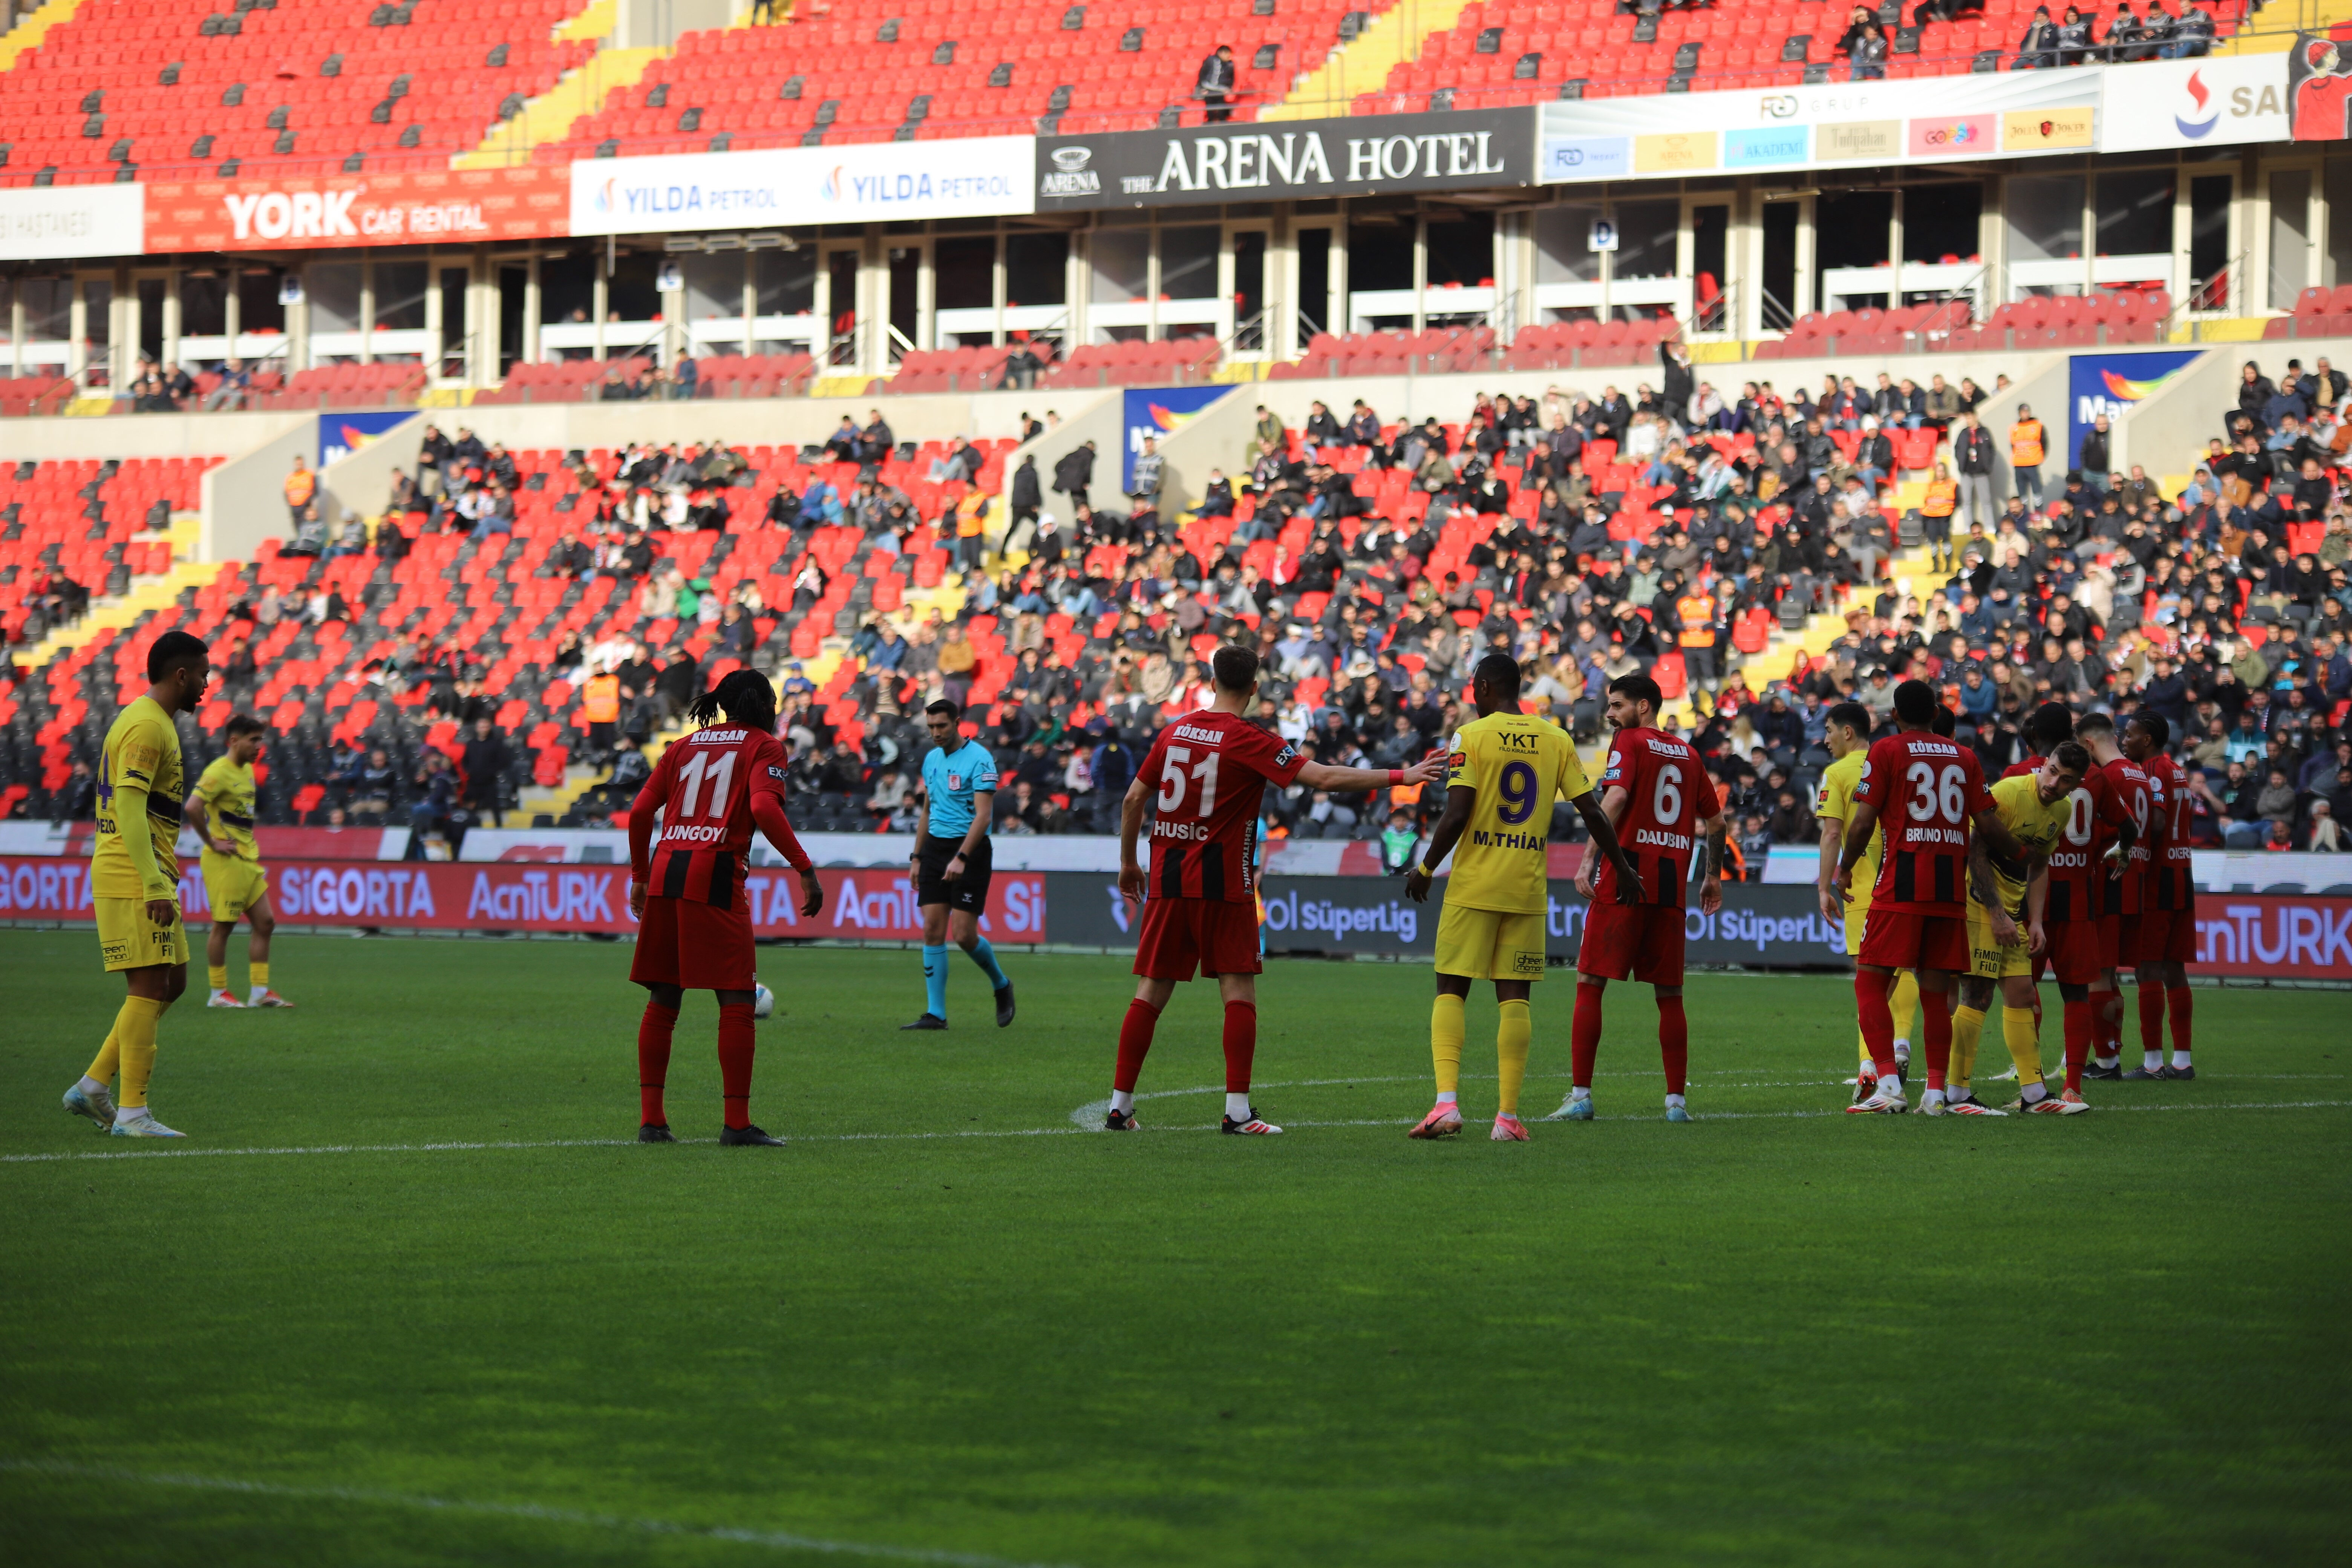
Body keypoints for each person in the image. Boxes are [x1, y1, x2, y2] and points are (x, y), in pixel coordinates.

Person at [1109, 644, 1443, 1134]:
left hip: (1168, 878)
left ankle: (1119, 1107)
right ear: (1255, 687)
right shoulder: (1250, 738)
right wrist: (1402, 775)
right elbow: (1324, 777)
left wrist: (1127, 864)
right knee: (1238, 988)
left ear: (1211, 677)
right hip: (1223, 883)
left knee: (1151, 991)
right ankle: (1239, 1112)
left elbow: (1134, 798)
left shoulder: (1174, 730)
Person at [1400, 653, 1643, 1140]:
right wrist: (1621, 867)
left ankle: (1446, 1105)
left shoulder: (1471, 736)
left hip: (1474, 885)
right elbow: (1592, 812)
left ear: (1489, 688)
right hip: (1526, 888)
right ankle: (1507, 1118)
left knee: (1451, 988)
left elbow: (1457, 813)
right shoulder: (1556, 739)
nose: (1472, 694)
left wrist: (1426, 868)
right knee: (1515, 1000)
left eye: (1475, 686)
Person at [625, 669, 823, 1147]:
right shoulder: (765, 746)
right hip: (715, 870)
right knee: (736, 997)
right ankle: (736, 1124)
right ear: (761, 703)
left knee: (664, 997)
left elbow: (637, 813)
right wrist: (804, 866)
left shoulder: (683, 746)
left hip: (667, 868)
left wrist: (639, 876)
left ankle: (652, 1121)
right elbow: (764, 808)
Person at [1834, 679, 2021, 1115]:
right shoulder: (1966, 756)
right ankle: (1936, 1093)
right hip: (1949, 893)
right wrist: (2024, 853)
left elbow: (1862, 822)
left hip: (1900, 888)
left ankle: (1888, 1085)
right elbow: (1989, 825)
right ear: (1937, 714)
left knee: (1869, 983)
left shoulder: (1887, 751)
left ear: (1894, 716)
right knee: (1936, 994)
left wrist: (1845, 868)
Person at [1548, 674, 1725, 1124]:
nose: (1609, 713)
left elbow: (1616, 798)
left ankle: (1581, 1095)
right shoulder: (1688, 753)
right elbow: (1717, 823)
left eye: (1618, 704)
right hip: (1670, 885)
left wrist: (1588, 858)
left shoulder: (1629, 741)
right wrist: (1712, 878)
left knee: (1590, 982)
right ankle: (1676, 1104)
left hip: (1624, 876)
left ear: (1644, 707)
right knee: (1671, 994)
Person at [62, 630, 210, 1139]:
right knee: (148, 986)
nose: (208, 686)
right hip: (133, 872)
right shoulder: (148, 726)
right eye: (204, 675)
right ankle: (132, 1114)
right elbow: (127, 805)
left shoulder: (150, 721)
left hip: (151, 870)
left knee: (175, 981)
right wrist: (152, 883)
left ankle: (94, 1085)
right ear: (181, 675)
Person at [1951, 741, 2094, 1115]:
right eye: (2053, 771)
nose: (2054, 783)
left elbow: (2040, 865)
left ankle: (2034, 1094)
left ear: (2077, 785)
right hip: (1977, 903)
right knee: (1977, 995)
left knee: (2023, 994)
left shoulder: (2061, 811)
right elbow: (1974, 850)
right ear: (2044, 764)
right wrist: (1997, 913)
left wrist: (2034, 919)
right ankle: (1956, 1093)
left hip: (2012, 910)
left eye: (2066, 780)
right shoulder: (2009, 792)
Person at [1815, 701, 1920, 1095]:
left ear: (1847, 732)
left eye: (1829, 730)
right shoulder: (1897, 762)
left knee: (1870, 981)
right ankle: (1902, 1041)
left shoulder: (1839, 772)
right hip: (1906, 882)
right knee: (1905, 966)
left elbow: (1831, 834)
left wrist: (1825, 887)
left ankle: (1869, 1066)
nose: (1825, 739)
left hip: (1861, 886)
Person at [902, 699, 1016, 1031]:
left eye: (942, 726)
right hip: (935, 850)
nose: (936, 733)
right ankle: (936, 1014)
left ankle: (1001, 984)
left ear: (957, 722)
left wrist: (962, 858)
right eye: (932, 727)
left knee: (965, 936)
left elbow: (984, 816)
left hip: (972, 850)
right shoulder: (931, 760)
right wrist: (917, 857)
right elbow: (927, 811)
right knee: (932, 930)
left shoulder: (980, 759)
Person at [186, 714, 291, 1011]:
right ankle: (218, 993)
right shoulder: (218, 771)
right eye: (254, 740)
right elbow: (193, 807)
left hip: (247, 858)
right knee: (224, 927)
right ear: (233, 741)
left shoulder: (246, 770)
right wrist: (212, 842)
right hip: (225, 860)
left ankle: (259, 992)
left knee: (266, 923)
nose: (260, 746)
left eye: (261, 739)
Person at [2073, 710, 2153, 1083]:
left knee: (2098, 973)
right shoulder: (2139, 772)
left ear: (2088, 743)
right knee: (2111, 975)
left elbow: (2100, 830)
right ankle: (2110, 1054)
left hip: (2109, 878)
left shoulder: (2108, 776)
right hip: (2134, 879)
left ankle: (2106, 1062)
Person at [2121, 712, 2197, 1080]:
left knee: (2147, 968)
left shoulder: (2152, 770)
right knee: (2174, 969)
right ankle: (2182, 1060)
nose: (2124, 739)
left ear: (2147, 738)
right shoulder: (2177, 769)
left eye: (2130, 734)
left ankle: (2153, 1063)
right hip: (2183, 872)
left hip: (2158, 878)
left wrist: (2124, 839)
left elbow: (2159, 821)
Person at [2010, 404, 2046, 510]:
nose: (2026, 414)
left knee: (2037, 494)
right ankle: (2025, 516)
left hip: (2032, 464)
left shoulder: (2037, 425)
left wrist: (2040, 456)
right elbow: (2013, 445)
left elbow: (2044, 442)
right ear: (2020, 413)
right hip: (2019, 464)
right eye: (2023, 412)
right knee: (2023, 496)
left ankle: (2038, 516)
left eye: (2027, 412)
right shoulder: (2014, 428)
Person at [1197, 43, 1237, 122]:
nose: (1229, 57)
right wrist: (1201, 88)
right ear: (1221, 53)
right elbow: (1202, 74)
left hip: (1221, 92)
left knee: (1221, 112)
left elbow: (1232, 78)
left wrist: (1229, 88)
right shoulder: (1210, 61)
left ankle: (1223, 125)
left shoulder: (1230, 64)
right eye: (1227, 55)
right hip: (1209, 91)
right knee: (1210, 112)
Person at [283, 454, 317, 530]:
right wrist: (290, 504)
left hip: (305, 507)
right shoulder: (290, 477)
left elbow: (315, 491)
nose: (299, 466)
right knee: (297, 528)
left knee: (306, 528)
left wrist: (307, 504)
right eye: (298, 464)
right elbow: (286, 492)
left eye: (301, 464)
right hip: (295, 508)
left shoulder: (309, 474)